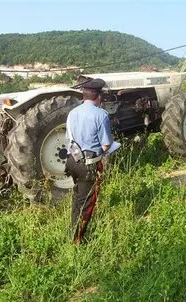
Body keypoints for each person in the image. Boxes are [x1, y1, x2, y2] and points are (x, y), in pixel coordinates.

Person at [65, 78, 113, 244]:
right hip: (89, 165)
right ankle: (77, 240)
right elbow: (106, 145)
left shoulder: (72, 113)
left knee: (77, 197)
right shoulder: (101, 115)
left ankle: (72, 229)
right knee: (87, 204)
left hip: (72, 161)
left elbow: (69, 140)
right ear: (98, 97)